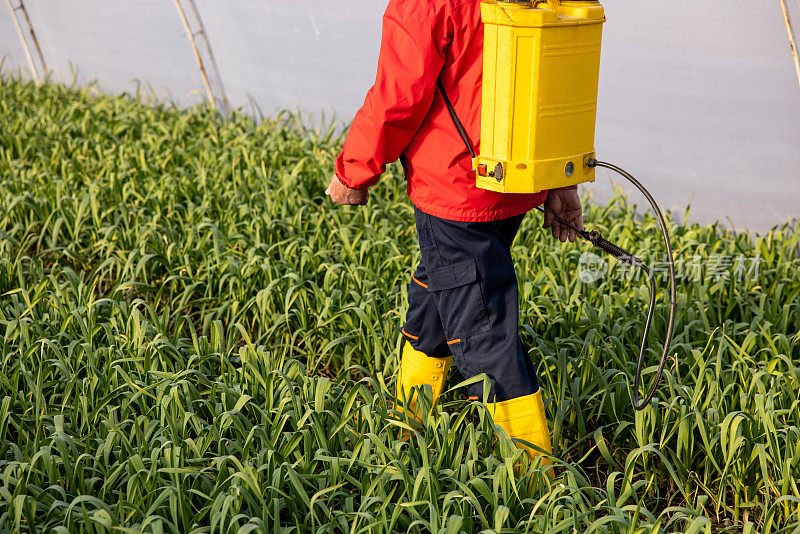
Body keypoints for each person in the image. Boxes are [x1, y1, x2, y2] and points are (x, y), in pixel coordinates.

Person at [326, 0, 584, 468]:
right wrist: (559, 177)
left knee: (484, 333)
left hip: (458, 189)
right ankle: (409, 421)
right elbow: (559, 82)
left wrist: (354, 171)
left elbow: (398, 95)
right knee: (437, 294)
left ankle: (537, 476)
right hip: (512, 182)